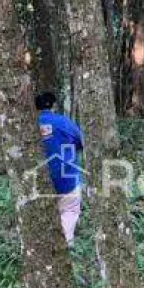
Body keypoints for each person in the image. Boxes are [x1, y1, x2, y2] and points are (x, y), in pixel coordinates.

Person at [36, 91, 83, 246]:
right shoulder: (63, 122)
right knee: (69, 212)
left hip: (39, 181)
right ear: (54, 105)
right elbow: (82, 141)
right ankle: (65, 247)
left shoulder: (28, 126)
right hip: (67, 179)